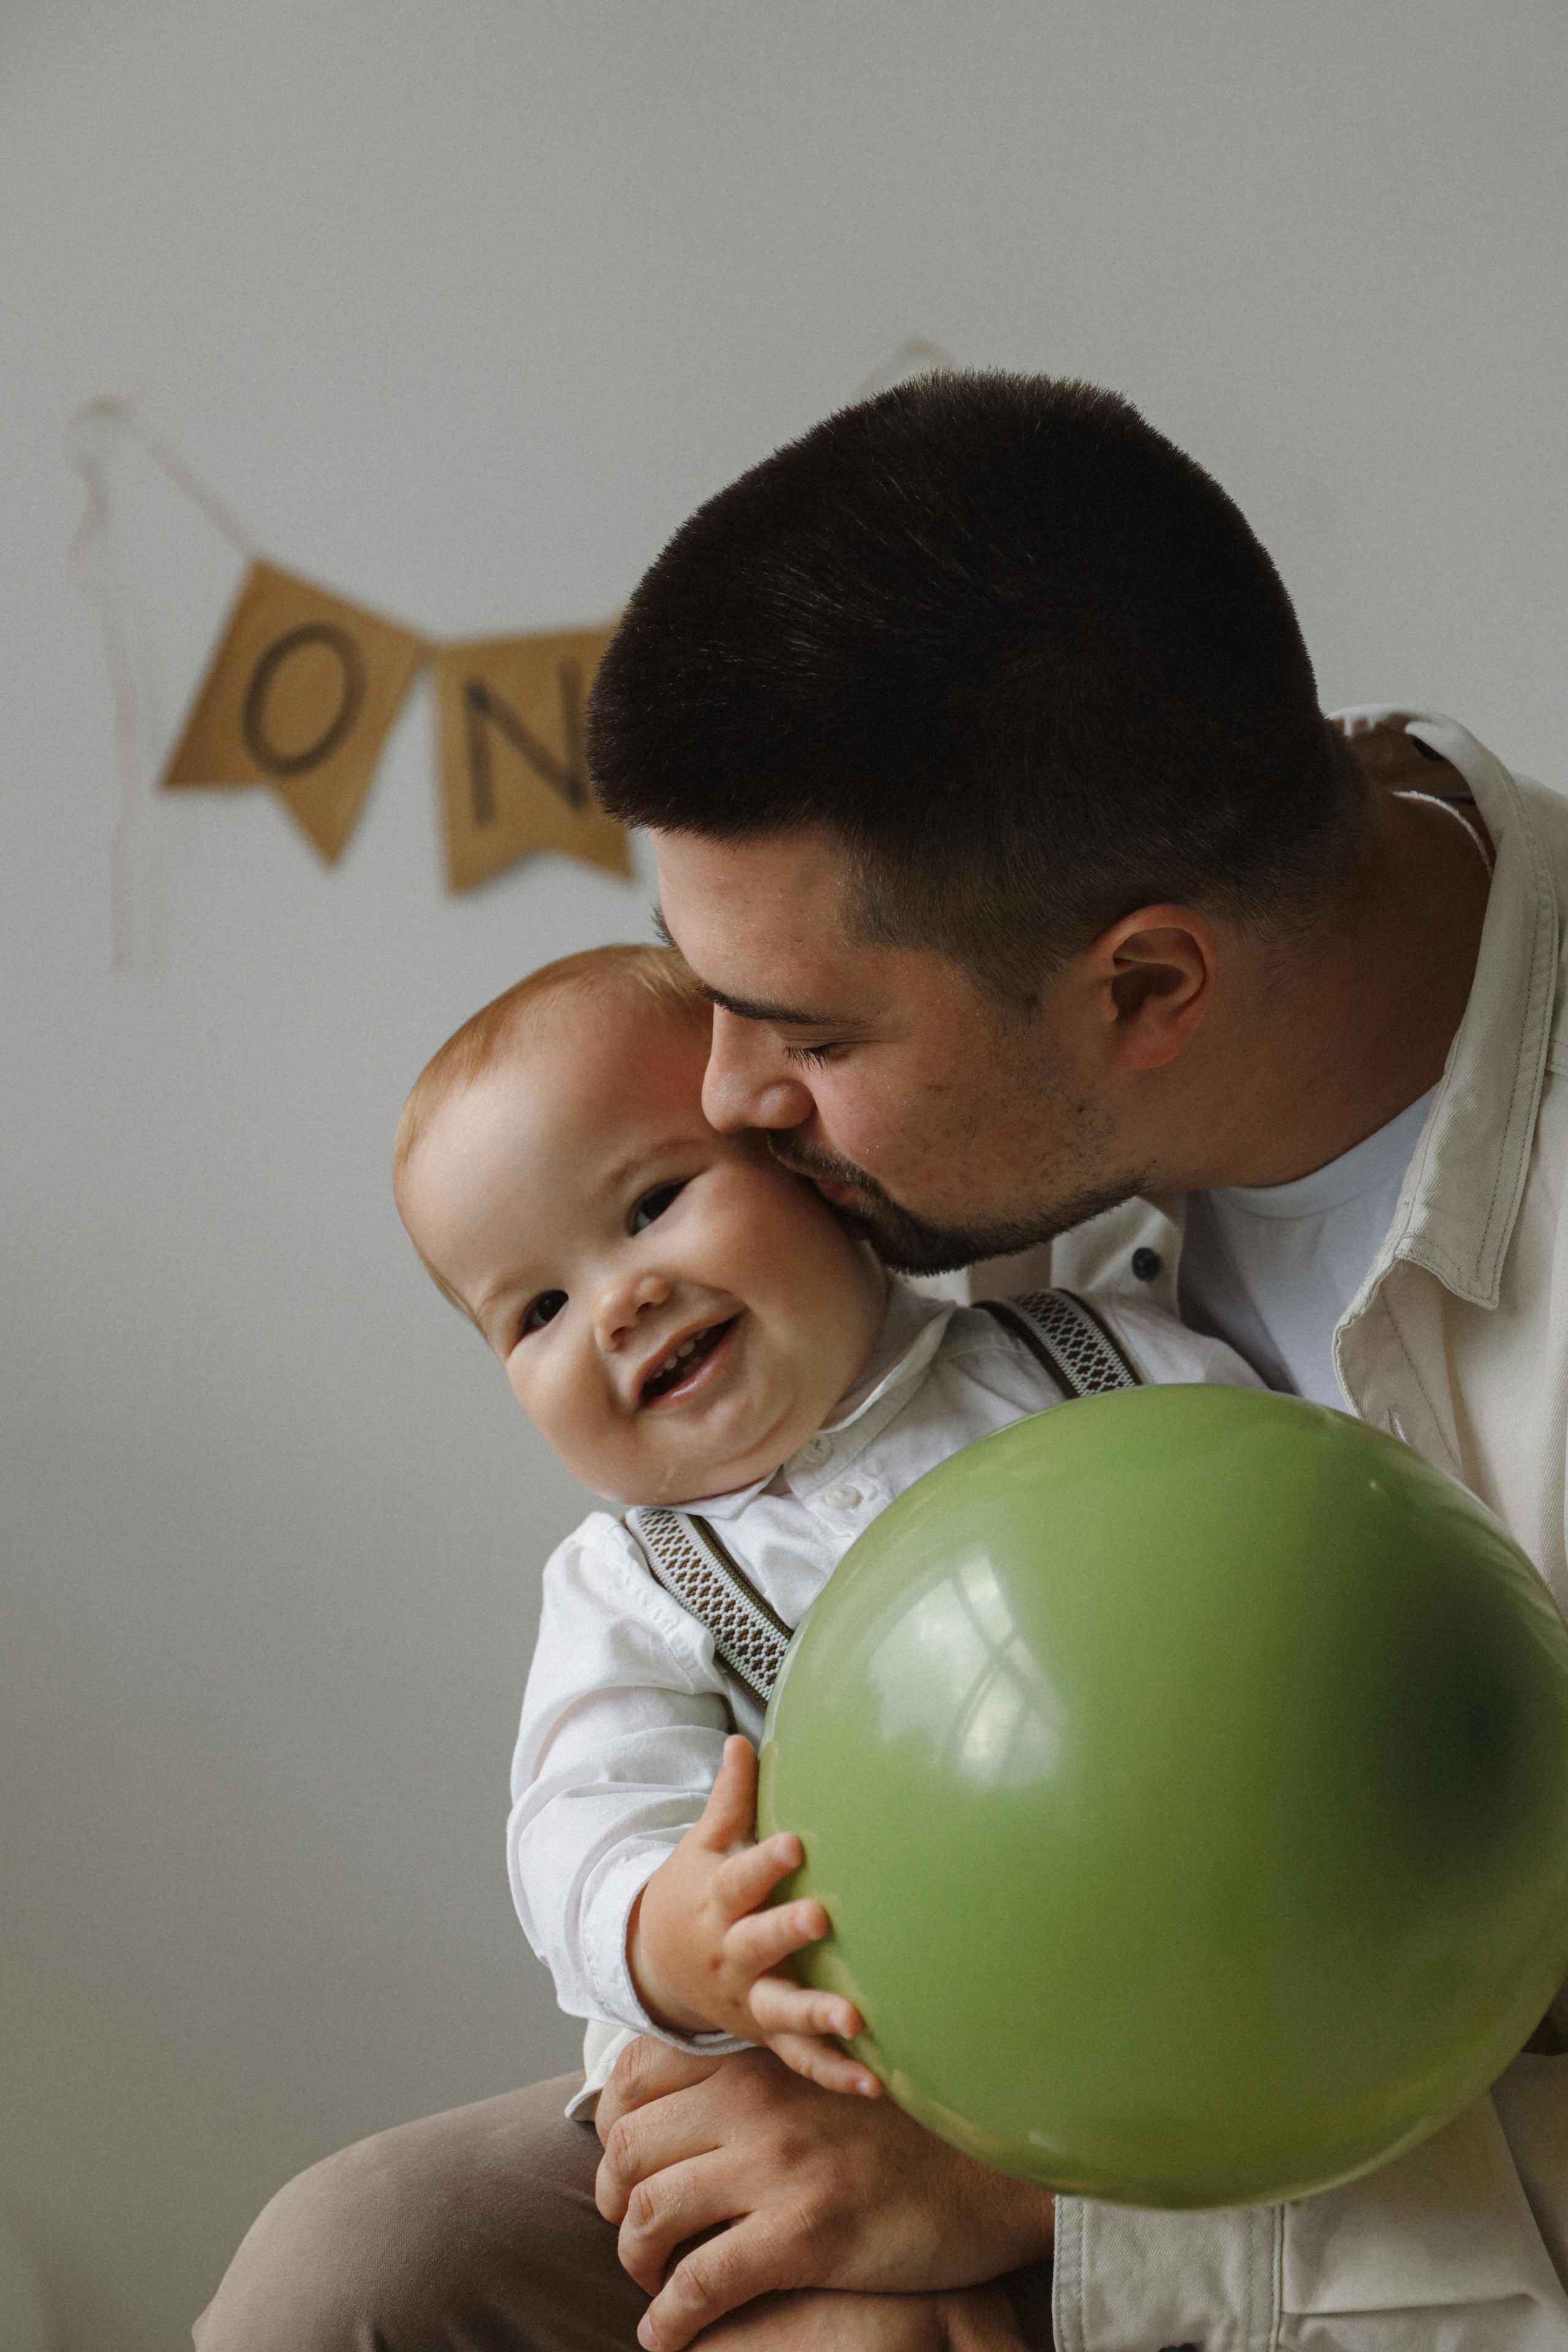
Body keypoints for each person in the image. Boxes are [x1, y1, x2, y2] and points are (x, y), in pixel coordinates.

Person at [196, 372, 1568, 2352]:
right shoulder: (997, 1045)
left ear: (1149, 988)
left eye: (807, 1039)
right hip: (909, 2011)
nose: (731, 1103)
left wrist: (1036, 2171)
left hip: (1387, 2126)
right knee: (357, 2270)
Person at [395, 944, 1255, 2123]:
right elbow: (582, 1815)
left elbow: (1282, 1518)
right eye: (537, 1310)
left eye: (653, 1206)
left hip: (1212, 1947)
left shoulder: (1096, 1360)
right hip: (873, 2070)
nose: (617, 1302)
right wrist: (669, 1930)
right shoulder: (634, 1589)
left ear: (816, 1170)